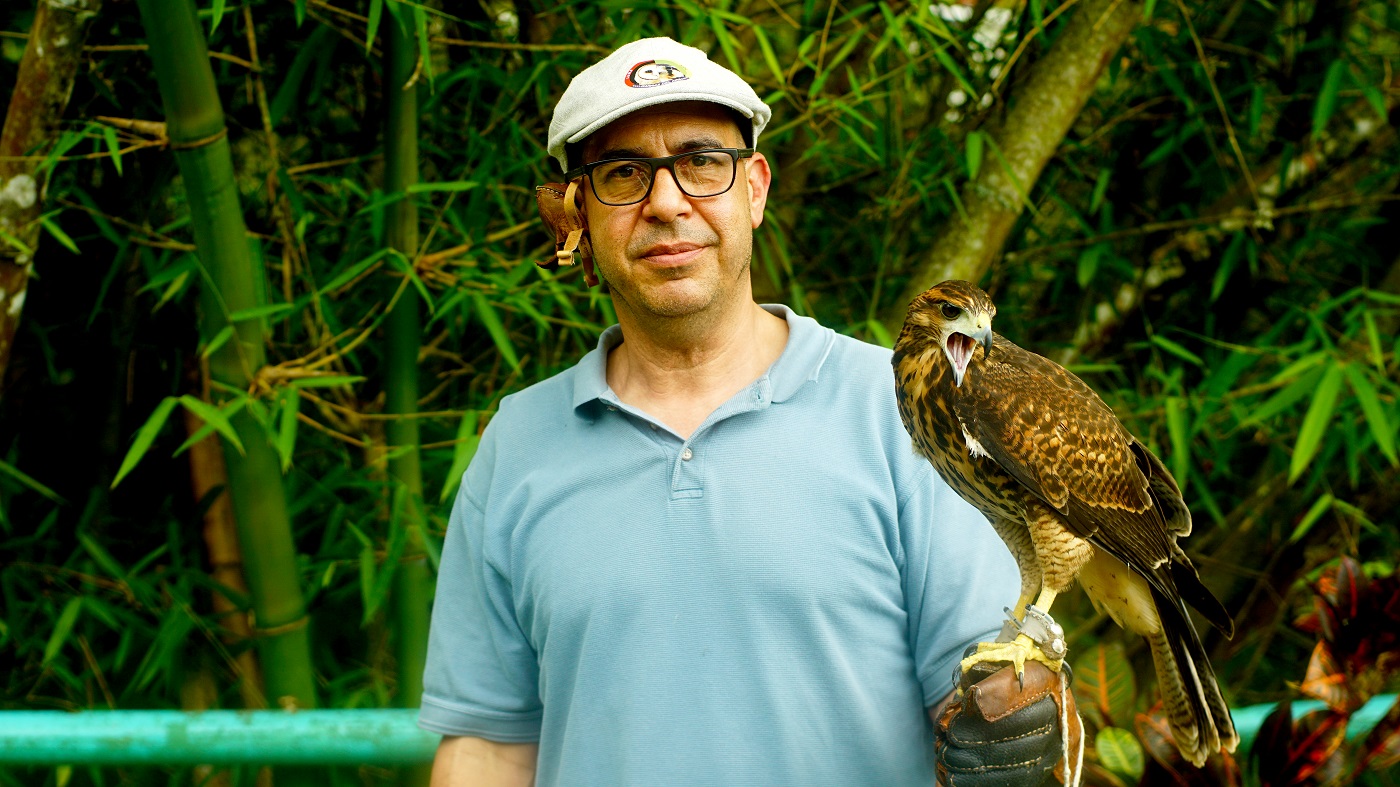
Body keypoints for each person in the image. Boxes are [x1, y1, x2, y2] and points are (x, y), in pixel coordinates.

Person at [419, 37, 1080, 787]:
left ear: (756, 188)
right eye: (623, 173)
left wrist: (1019, 721)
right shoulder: (518, 444)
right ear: (577, 213)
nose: (666, 203)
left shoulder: (903, 414)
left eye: (703, 162)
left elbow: (993, 708)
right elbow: (489, 748)